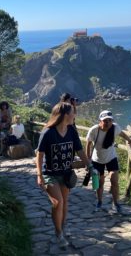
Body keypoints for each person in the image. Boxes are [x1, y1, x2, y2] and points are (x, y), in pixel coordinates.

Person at [36, 102, 91, 248]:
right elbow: (39, 155)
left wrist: (90, 165)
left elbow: (79, 151)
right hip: (50, 174)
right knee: (58, 202)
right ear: (65, 115)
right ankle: (58, 233)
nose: (75, 115)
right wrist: (39, 175)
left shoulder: (72, 131)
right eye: (73, 112)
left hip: (66, 174)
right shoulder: (48, 132)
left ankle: (62, 227)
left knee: (64, 203)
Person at [86, 110, 131, 213]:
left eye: (110, 120)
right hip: (97, 159)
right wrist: (88, 159)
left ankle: (116, 203)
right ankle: (99, 201)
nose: (108, 123)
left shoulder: (114, 127)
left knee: (114, 180)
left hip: (111, 157)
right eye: (105, 121)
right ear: (100, 121)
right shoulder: (94, 130)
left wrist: (129, 140)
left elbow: (121, 133)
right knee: (99, 183)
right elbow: (88, 143)